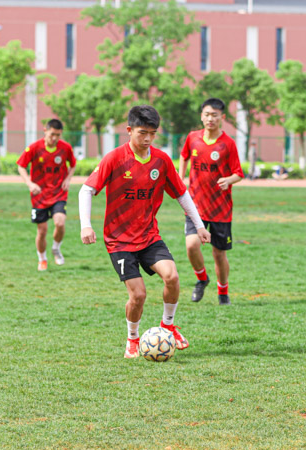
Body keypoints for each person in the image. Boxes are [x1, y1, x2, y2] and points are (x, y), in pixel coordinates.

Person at [79, 104, 210, 358]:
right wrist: (86, 224)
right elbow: (86, 190)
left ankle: (168, 326)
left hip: (149, 236)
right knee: (138, 295)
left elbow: (182, 194)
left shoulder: (161, 161)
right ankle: (132, 339)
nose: (148, 138)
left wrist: (200, 226)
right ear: (129, 130)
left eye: (152, 133)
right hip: (119, 241)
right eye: (142, 133)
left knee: (172, 277)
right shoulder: (114, 158)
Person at [179, 98, 244, 305]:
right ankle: (202, 279)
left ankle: (223, 293)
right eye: (207, 114)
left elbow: (239, 173)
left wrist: (229, 180)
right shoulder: (193, 138)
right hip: (195, 205)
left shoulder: (228, 144)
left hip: (220, 209)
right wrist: (181, 178)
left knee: (219, 254)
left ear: (222, 117)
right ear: (201, 116)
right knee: (191, 246)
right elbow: (184, 156)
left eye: (214, 115)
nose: (210, 119)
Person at [16, 118, 77, 271]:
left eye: (58, 135)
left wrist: (68, 179)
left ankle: (56, 248)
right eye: (52, 134)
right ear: (45, 131)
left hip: (58, 193)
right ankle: (42, 259)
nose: (54, 138)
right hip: (39, 196)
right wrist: (30, 184)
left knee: (60, 223)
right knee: (42, 231)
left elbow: (73, 164)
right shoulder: (34, 148)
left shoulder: (65, 148)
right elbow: (21, 166)